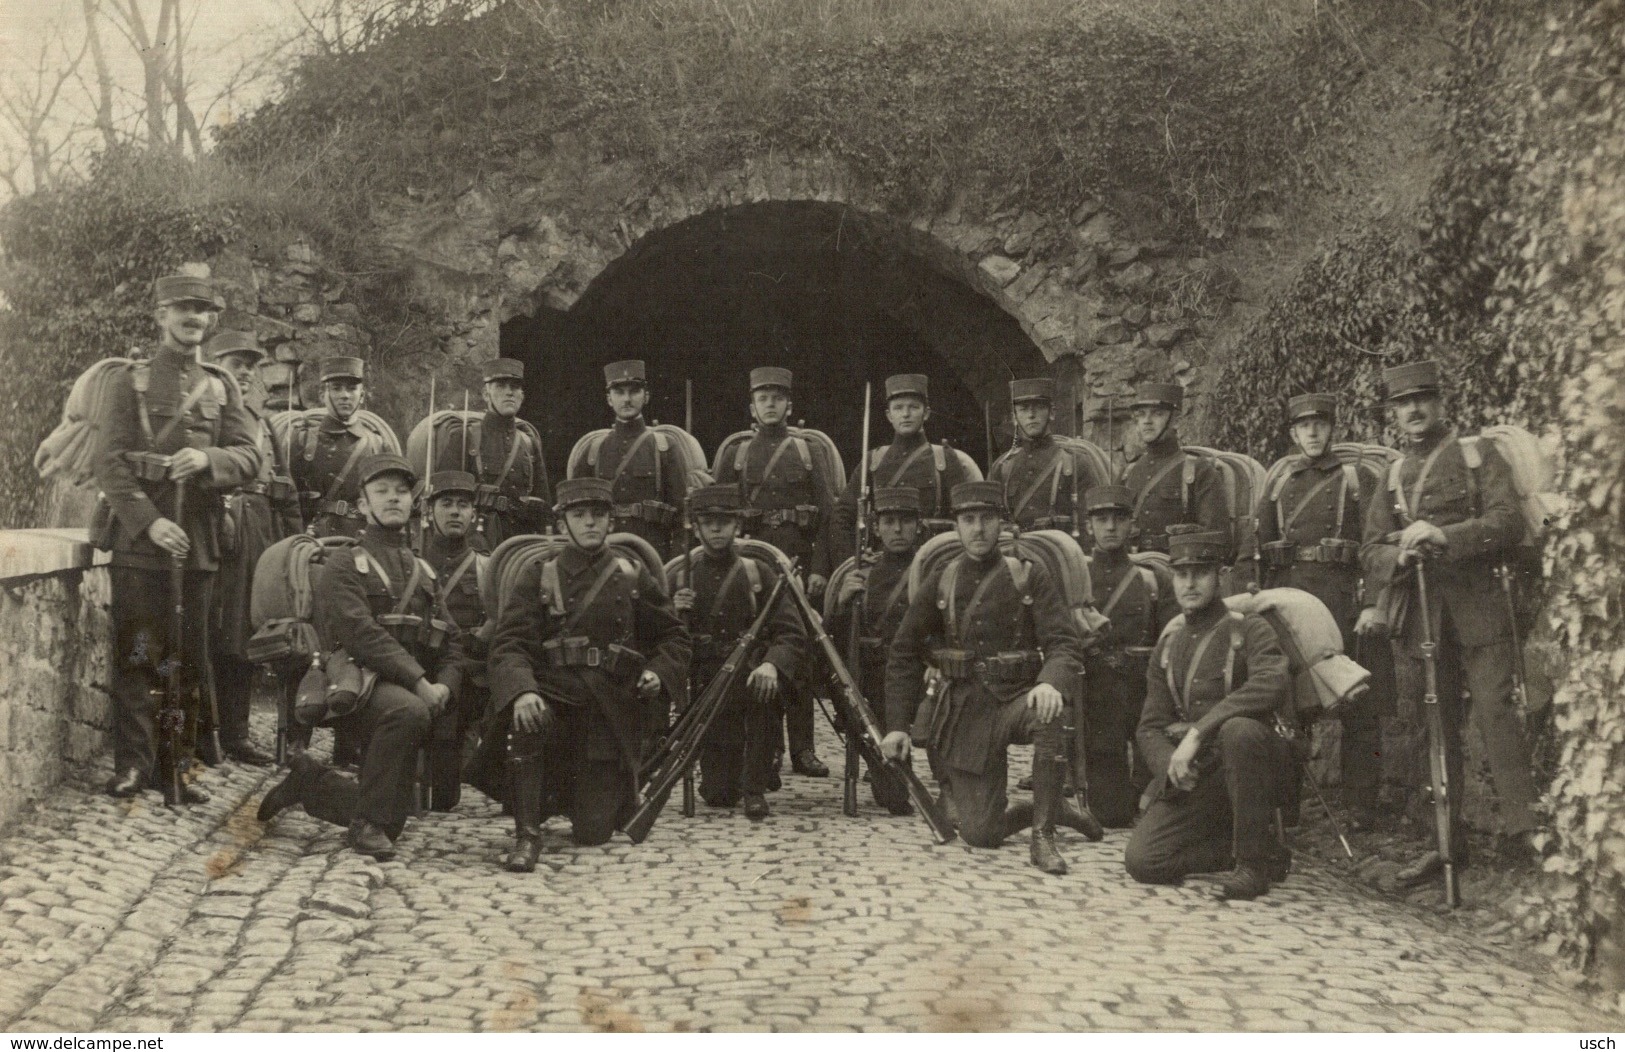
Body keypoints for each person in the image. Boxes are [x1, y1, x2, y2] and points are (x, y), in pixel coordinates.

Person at [1361, 359, 1538, 886]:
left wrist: (1446, 537)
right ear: (1393, 414)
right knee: (1430, 727)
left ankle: (1524, 837)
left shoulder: (1476, 455)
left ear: (1441, 403)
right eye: (1402, 404)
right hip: (1423, 616)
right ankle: (1443, 843)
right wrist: (1398, 554)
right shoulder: (1393, 474)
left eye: (1422, 399)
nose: (1413, 410)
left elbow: (1507, 522)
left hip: (1481, 609)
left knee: (1497, 717)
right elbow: (1369, 548)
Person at [96, 274, 260, 802]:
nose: (193, 318)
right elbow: (110, 463)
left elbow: (249, 456)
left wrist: (209, 459)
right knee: (139, 654)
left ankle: (177, 765)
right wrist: (149, 521)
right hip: (142, 545)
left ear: (210, 321)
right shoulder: (130, 382)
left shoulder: (220, 385)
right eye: (183, 309)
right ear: (162, 314)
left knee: (189, 659)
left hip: (201, 542)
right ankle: (134, 765)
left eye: (202, 311)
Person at [256, 454, 457, 861]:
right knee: (409, 712)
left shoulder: (424, 572)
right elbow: (360, 634)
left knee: (395, 819)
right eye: (381, 492)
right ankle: (366, 825)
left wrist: (445, 686)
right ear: (363, 505)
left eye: (401, 492)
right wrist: (421, 683)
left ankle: (312, 784)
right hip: (353, 684)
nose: (393, 499)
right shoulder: (344, 563)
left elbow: (451, 641)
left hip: (406, 687)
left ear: (413, 504)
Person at [881, 481, 1089, 875]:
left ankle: (1043, 835)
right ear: (956, 526)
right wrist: (896, 726)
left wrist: (1049, 683)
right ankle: (1050, 808)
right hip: (967, 710)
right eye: (968, 519)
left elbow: (1064, 642)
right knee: (981, 833)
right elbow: (903, 651)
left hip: (1017, 699)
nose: (978, 529)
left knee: (1051, 715)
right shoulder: (943, 577)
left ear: (1002, 524)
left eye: (987, 519)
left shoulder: (1029, 573)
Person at [487, 477, 690, 872]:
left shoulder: (632, 575)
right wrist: (522, 690)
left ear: (611, 522)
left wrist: (657, 672)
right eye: (579, 516)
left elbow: (673, 636)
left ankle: (597, 796)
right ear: (563, 524)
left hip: (608, 707)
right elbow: (509, 642)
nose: (590, 523)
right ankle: (527, 835)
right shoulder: (539, 573)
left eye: (598, 515)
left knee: (593, 831)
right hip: (553, 696)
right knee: (528, 718)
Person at [1124, 531, 1294, 900]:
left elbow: (1272, 683)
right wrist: (1171, 765)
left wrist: (1198, 732)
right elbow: (1150, 726)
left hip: (1255, 768)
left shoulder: (1248, 628)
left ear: (1220, 576)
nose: (1189, 583)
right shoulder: (1169, 644)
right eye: (1181, 574)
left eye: (1200, 573)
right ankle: (1258, 849)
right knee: (1143, 862)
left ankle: (1252, 868)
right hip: (1201, 775)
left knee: (1239, 731)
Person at [1254, 393, 1389, 826]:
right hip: (1293, 605)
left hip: (1343, 601)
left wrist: (1372, 603)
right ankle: (1285, 805)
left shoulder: (1355, 480)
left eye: (1320, 425)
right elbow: (1253, 551)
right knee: (1289, 706)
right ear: (1293, 433)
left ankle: (1361, 806)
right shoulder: (1278, 484)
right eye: (1304, 426)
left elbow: (1375, 546)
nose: (1312, 433)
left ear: (1333, 428)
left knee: (1359, 705)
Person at [713, 366, 835, 779]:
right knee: (755, 650)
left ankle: (803, 748)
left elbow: (829, 515)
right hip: (752, 568)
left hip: (797, 565)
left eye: (777, 398)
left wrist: (820, 569)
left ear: (789, 404)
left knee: (797, 655)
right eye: (763, 398)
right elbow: (719, 512)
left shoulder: (807, 451)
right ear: (752, 406)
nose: (770, 404)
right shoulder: (737, 453)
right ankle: (768, 750)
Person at [670, 485, 806, 820]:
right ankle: (742, 774)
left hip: (751, 679)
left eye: (724, 521)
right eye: (708, 522)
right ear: (696, 527)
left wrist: (772, 665)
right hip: (708, 684)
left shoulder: (757, 572)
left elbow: (791, 631)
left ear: (738, 526)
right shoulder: (681, 577)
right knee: (718, 795)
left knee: (761, 699)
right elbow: (664, 640)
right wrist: (676, 612)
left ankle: (756, 786)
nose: (716, 529)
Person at [206, 330, 296, 768]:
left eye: (249, 366)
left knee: (243, 631)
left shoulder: (262, 425)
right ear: (212, 362)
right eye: (233, 362)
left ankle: (237, 734)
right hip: (211, 526)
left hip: (257, 534)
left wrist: (294, 546)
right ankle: (200, 730)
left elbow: (285, 489)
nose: (242, 372)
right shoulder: (202, 413)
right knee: (206, 628)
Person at [1080, 484, 1177, 828]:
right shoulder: (1076, 577)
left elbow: (1173, 642)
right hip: (1097, 701)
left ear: (1131, 525)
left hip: (1144, 700)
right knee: (1111, 814)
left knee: (1153, 799)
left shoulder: (1153, 579)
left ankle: (1144, 783)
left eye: (1118, 519)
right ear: (1089, 525)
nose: (1110, 528)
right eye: (1101, 519)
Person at [827, 486, 927, 815]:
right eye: (889, 522)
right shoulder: (863, 573)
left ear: (918, 525)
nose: (897, 530)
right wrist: (843, 603)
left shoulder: (930, 571)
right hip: (872, 678)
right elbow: (833, 641)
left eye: (905, 522)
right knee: (894, 799)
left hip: (917, 677)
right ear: (876, 527)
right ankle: (879, 761)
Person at [831, 374, 977, 563]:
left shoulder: (945, 458)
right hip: (882, 563)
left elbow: (965, 515)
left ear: (926, 413)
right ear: (889, 415)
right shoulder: (873, 461)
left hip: (933, 561)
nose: (906, 414)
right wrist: (852, 560)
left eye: (913, 407)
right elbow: (842, 515)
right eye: (898, 408)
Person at [420, 470, 490, 811]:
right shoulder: (414, 564)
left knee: (443, 799)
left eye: (463, 505)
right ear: (430, 511)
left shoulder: (485, 568)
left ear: (473, 514)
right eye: (445, 504)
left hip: (468, 678)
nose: (454, 512)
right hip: (421, 669)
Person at [571, 360, 689, 558]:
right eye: (619, 392)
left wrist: (674, 568)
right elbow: (574, 514)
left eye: (634, 391)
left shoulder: (665, 448)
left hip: (652, 554)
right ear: (609, 399)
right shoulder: (593, 451)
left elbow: (682, 517)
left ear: (646, 396)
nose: (626, 399)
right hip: (604, 556)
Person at [988, 377, 1109, 534]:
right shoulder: (1003, 467)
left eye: (1038, 407)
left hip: (1060, 552)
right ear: (1014, 417)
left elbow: (1089, 524)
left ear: (1051, 413)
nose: (1031, 415)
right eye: (1024, 409)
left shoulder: (1075, 463)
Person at [1121, 382, 1229, 555]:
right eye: (1141, 414)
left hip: (1180, 569)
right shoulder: (1130, 473)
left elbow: (1215, 537)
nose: (1147, 421)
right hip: (1136, 566)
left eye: (1157, 414)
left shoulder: (1198, 470)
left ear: (1176, 420)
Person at [291, 356, 387, 539]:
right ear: (322, 394)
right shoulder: (303, 439)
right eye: (336, 388)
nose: (345, 395)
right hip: (314, 539)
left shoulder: (376, 444)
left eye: (352, 389)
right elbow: (288, 502)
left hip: (361, 539)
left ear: (362, 395)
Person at [469, 358, 550, 548]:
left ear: (522, 395)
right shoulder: (468, 437)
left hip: (521, 541)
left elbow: (543, 502)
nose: (509, 392)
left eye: (515, 387)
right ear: (485, 394)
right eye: (500, 386)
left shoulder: (529, 443)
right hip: (480, 538)